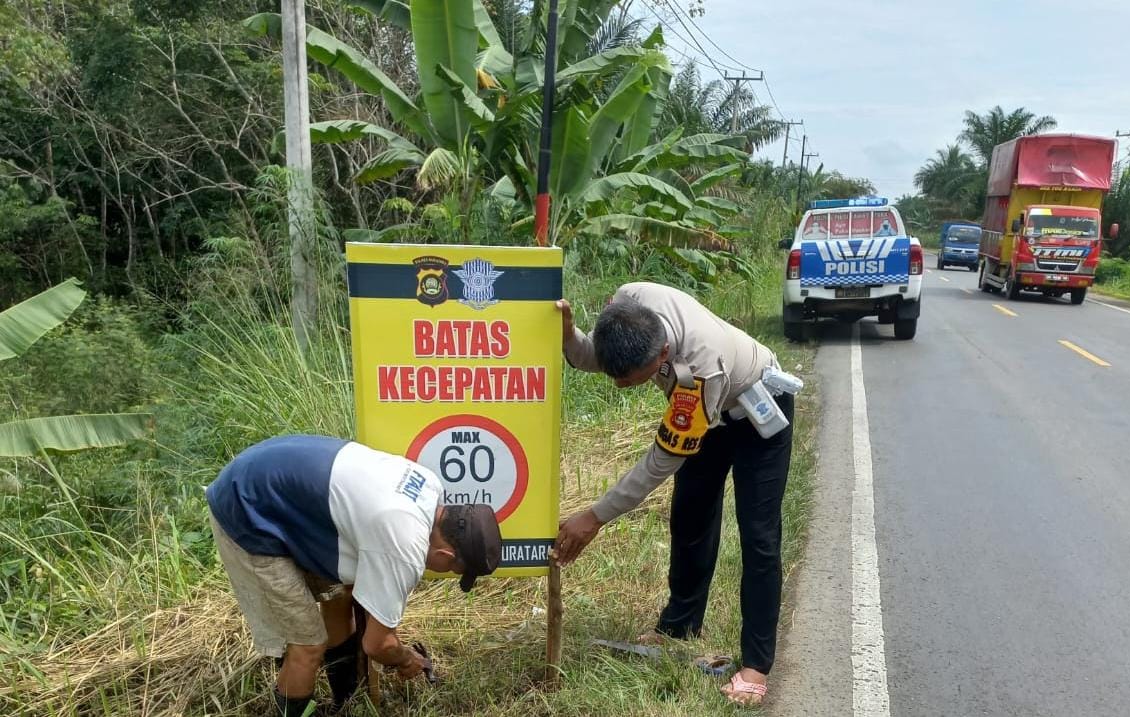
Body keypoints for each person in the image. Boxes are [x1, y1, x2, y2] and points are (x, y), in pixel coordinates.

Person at [553, 282, 795, 706]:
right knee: (690, 517)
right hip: (710, 416)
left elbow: (659, 464)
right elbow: (598, 354)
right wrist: (570, 335)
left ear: (662, 355)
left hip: (756, 414)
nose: (620, 386)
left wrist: (593, 517)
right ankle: (681, 624)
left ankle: (756, 665)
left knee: (759, 537)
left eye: (628, 380)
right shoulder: (628, 303)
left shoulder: (703, 368)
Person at [205, 435, 502, 716]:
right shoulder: (406, 544)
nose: (443, 572)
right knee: (307, 645)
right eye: (453, 570)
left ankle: (345, 703)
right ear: (446, 556)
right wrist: (405, 659)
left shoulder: (429, 487)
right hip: (247, 506)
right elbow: (378, 644)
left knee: (340, 594)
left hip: (275, 474)